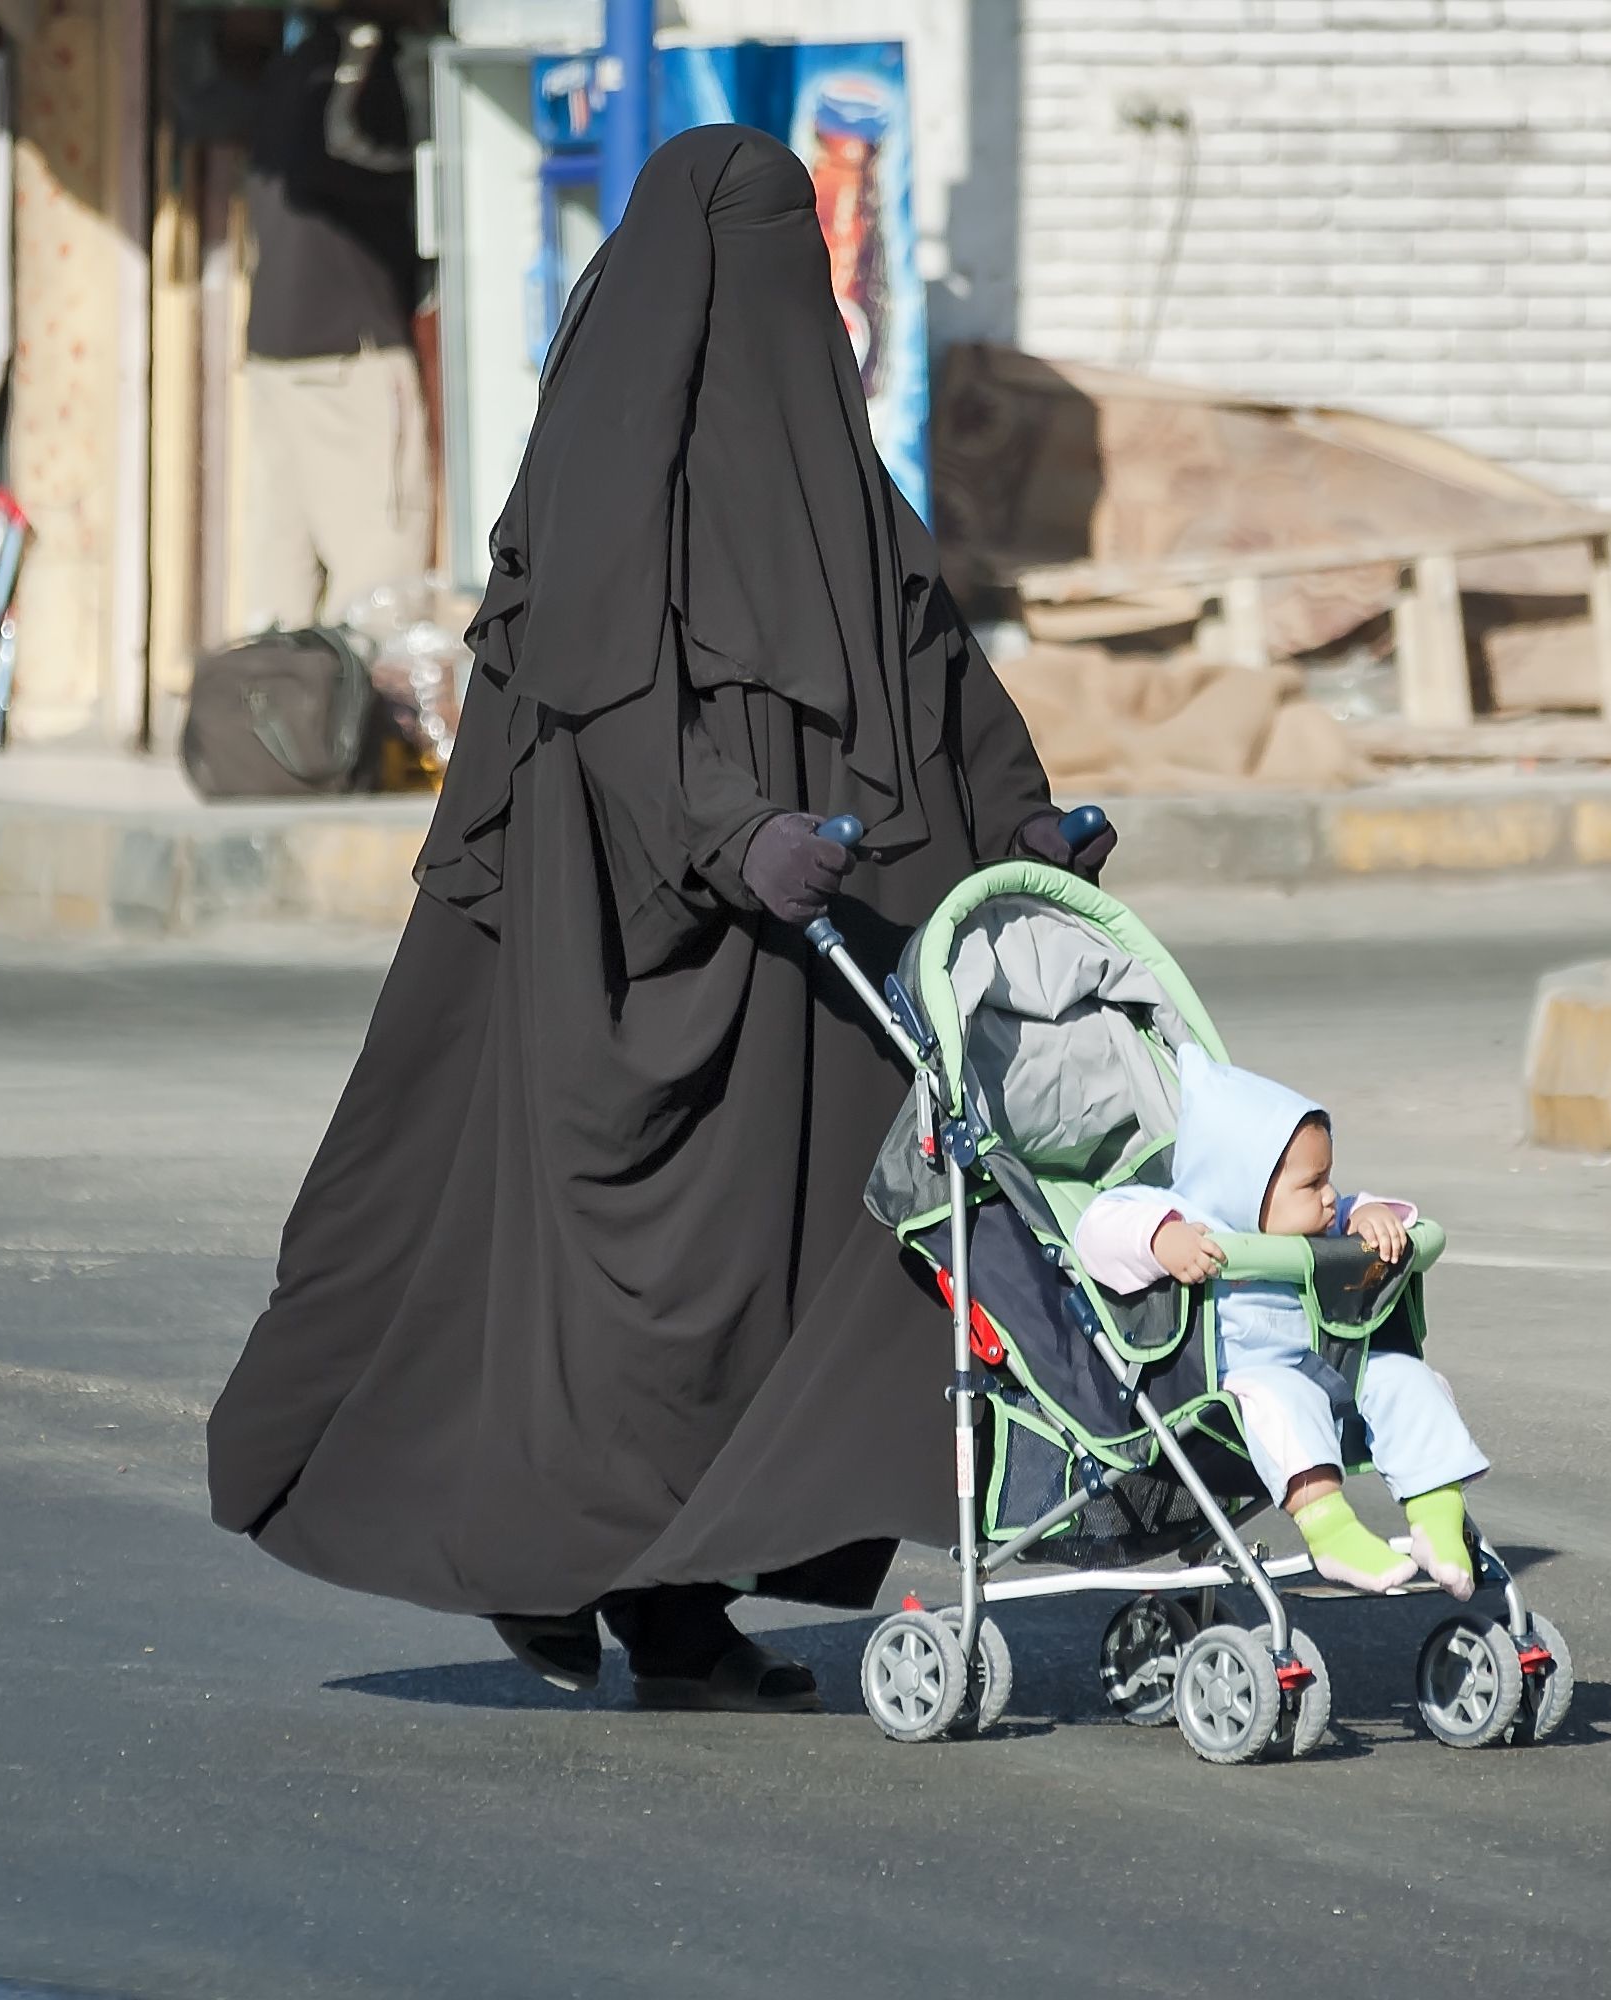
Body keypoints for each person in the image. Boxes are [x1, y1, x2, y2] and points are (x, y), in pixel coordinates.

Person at [206, 126, 1110, 1712]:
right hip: (628, 934)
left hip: (811, 929)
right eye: (755, 249)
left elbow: (929, 653)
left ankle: (678, 1612)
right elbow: (604, 687)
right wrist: (730, 831)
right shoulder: (610, 462)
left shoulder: (826, 449)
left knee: (793, 1260)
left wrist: (1024, 810)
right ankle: (559, 1566)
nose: (780, 287)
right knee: (631, 1284)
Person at [1073, 1048, 1489, 1598]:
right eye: (1313, 1184)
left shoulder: (1320, 1219)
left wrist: (1372, 1217)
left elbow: (1380, 1214)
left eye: (1329, 1178)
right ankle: (1332, 1531)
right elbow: (1099, 1230)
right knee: (1280, 1396)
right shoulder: (1190, 1217)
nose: (1330, 1196)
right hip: (1230, 1397)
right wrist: (1161, 1239)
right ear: (1247, 1185)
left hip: (1333, 1371)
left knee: (1406, 1379)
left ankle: (1436, 1517)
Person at [239, 2, 433, 631]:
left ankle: (273, 716)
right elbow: (326, 159)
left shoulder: (300, 58)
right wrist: (435, 174)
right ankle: (373, 725)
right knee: (382, 568)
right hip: (346, 347)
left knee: (281, 568)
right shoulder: (358, 53)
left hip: (277, 340)